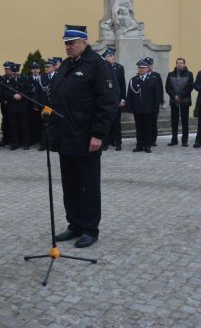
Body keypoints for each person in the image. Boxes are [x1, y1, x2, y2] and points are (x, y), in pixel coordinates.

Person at [50, 25, 119, 248]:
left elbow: (107, 103)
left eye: (71, 43)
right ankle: (75, 224)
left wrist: (98, 134)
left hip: (87, 138)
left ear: (84, 42)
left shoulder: (98, 66)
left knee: (88, 185)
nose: (68, 47)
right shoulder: (67, 66)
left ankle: (90, 229)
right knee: (70, 185)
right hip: (65, 136)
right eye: (66, 44)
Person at [127, 59, 159, 153]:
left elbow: (156, 95)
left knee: (148, 128)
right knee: (139, 128)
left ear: (147, 69)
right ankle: (139, 145)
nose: (141, 69)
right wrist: (130, 107)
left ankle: (147, 145)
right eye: (139, 68)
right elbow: (130, 95)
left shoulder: (153, 79)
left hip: (148, 109)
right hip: (137, 108)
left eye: (143, 68)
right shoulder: (133, 80)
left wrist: (155, 108)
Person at [165, 58, 194, 147]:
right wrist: (174, 96)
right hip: (174, 101)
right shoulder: (170, 74)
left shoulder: (189, 74)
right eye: (177, 63)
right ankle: (174, 139)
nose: (179, 64)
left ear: (184, 64)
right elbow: (167, 88)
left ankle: (184, 140)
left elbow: (190, 87)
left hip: (184, 101)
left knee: (185, 121)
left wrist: (180, 96)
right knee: (174, 121)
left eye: (181, 63)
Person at [102, 48, 126, 150]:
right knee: (106, 122)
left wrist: (123, 99)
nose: (113, 57)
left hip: (116, 100)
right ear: (105, 58)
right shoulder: (101, 68)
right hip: (105, 100)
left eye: (113, 56)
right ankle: (106, 142)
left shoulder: (119, 68)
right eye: (110, 56)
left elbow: (122, 84)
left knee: (117, 123)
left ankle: (118, 142)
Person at [3, 63, 31, 150]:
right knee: (13, 126)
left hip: (22, 105)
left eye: (16, 71)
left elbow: (28, 90)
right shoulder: (6, 80)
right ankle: (15, 143)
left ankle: (25, 143)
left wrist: (21, 95)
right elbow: (4, 91)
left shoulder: (24, 78)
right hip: (12, 106)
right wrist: (12, 96)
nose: (14, 73)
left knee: (24, 125)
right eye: (13, 71)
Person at [143, 57, 164, 147]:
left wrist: (160, 101)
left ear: (152, 65)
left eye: (150, 64)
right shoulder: (141, 75)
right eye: (147, 65)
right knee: (145, 122)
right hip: (144, 104)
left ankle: (153, 139)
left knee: (153, 122)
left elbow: (160, 89)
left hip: (154, 103)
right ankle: (145, 138)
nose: (149, 66)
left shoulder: (156, 75)